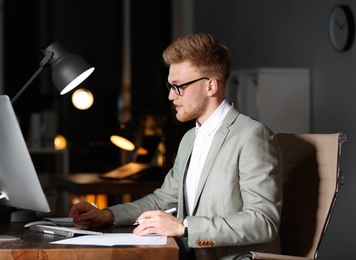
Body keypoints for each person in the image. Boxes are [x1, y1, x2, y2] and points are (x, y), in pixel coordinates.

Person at [69, 33, 283, 260]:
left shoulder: (252, 136)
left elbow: (263, 222)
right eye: (170, 86)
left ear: (210, 86)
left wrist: (185, 227)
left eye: (178, 86)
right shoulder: (190, 138)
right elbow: (162, 200)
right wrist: (109, 215)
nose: (171, 96)